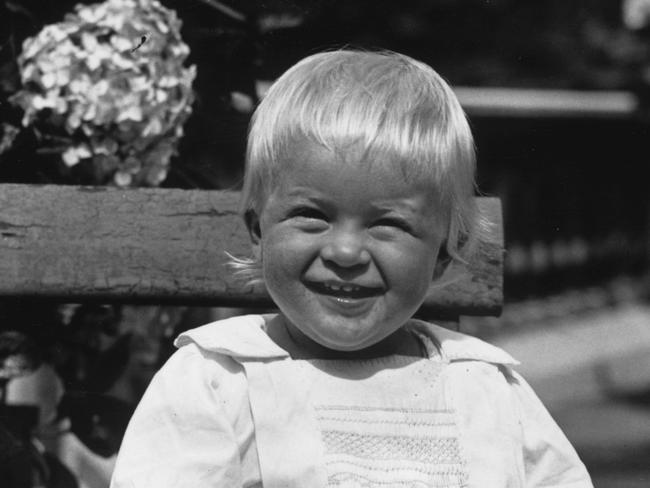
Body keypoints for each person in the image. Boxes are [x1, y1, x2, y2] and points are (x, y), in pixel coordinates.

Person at [110, 50, 593, 487]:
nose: (345, 252)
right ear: (259, 230)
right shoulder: (219, 380)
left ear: (445, 251)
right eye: (312, 216)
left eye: (388, 225)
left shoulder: (486, 389)